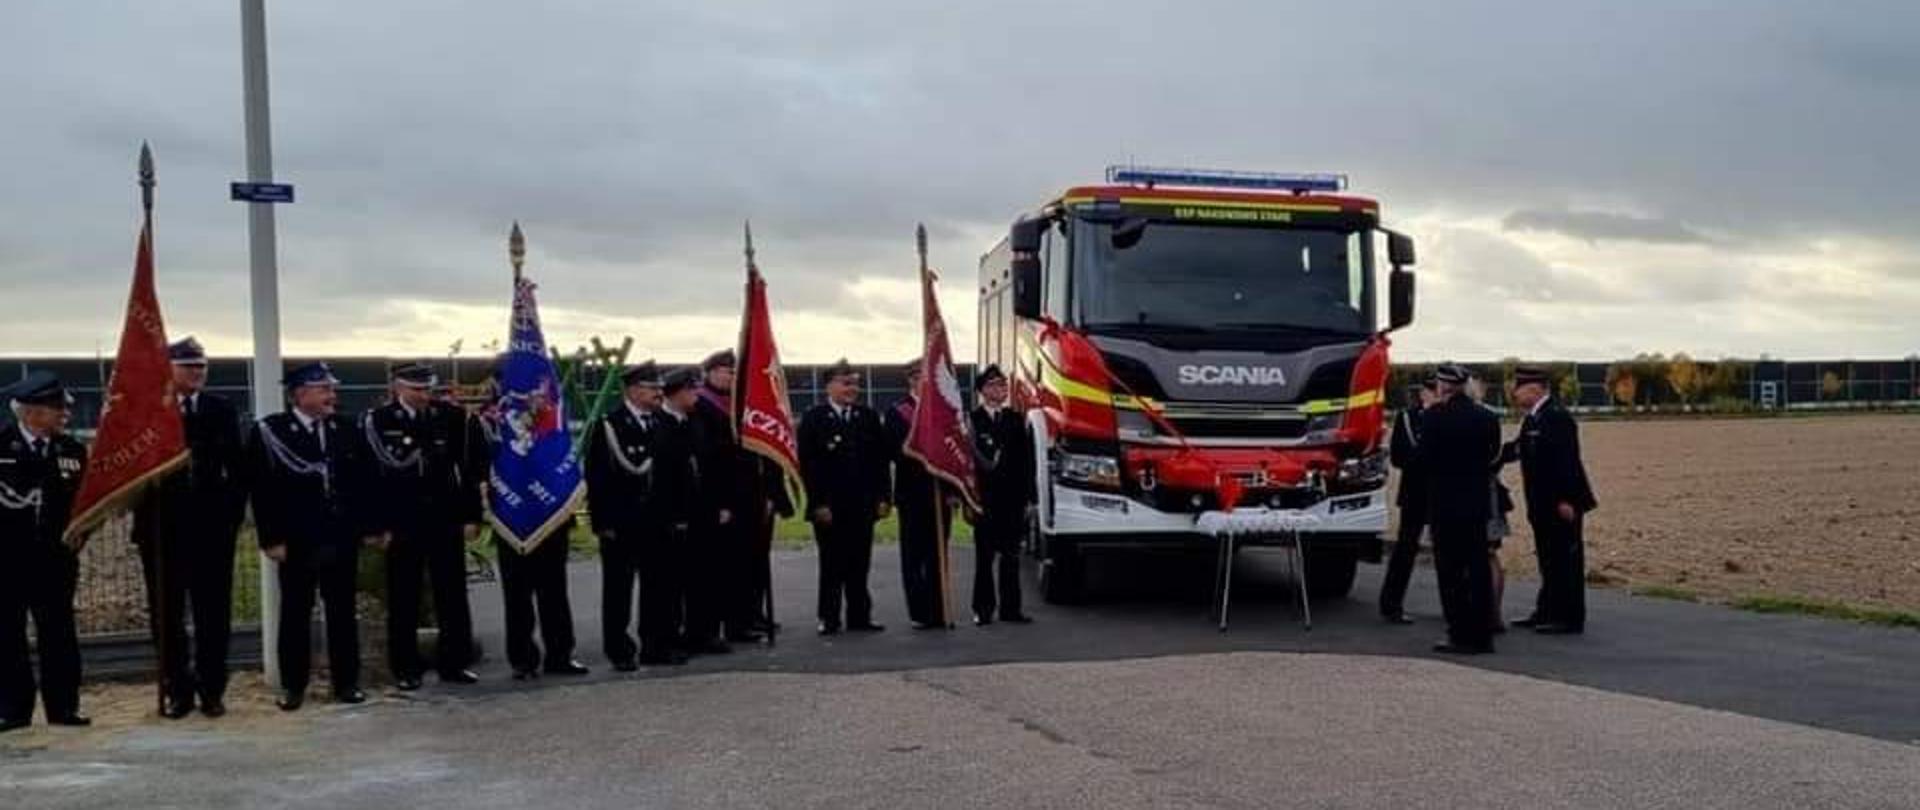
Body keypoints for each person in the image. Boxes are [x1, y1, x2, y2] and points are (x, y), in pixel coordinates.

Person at [246, 363, 377, 710]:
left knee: (343, 612)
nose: (332, 397)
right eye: (324, 390)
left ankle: (347, 682)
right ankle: (293, 686)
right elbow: (262, 490)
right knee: (295, 613)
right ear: (300, 394)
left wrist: (367, 529)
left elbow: (364, 482)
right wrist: (271, 539)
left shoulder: (345, 428)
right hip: (297, 539)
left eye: (331, 390)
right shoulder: (272, 431)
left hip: (340, 535)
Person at [132, 338, 247, 719]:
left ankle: (212, 689)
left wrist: (230, 518)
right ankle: (176, 689)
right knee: (166, 616)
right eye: (188, 366)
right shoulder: (149, 412)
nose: (197, 373)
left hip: (211, 531)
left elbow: (237, 469)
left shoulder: (221, 409)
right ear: (168, 369)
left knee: (213, 613)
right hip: (162, 532)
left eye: (202, 367)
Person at [361, 361, 487, 691]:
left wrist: (472, 516)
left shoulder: (451, 417)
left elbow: (468, 471)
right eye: (415, 389)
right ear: (397, 388)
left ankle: (454, 662)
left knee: (452, 594)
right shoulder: (379, 421)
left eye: (426, 389)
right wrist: (377, 526)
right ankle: (405, 667)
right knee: (404, 596)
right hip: (403, 522)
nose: (423, 395)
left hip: (444, 518)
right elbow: (372, 479)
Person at [586, 362, 694, 668]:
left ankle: (655, 645)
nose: (658, 393)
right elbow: (597, 477)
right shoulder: (610, 425)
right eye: (651, 388)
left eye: (659, 388)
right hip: (622, 522)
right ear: (632, 390)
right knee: (618, 590)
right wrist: (603, 521)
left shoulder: (662, 423)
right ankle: (619, 651)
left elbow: (677, 473)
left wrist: (679, 515)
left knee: (658, 587)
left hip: (658, 521)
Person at [0, 372, 90, 731]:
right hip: (7, 562)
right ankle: (12, 709)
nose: (64, 415)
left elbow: (84, 504)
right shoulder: (2, 448)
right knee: (7, 635)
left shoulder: (71, 450)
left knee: (59, 635)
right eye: (56, 409)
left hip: (55, 562)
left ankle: (63, 707)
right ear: (31, 413)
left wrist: (84, 531)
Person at [689, 349, 792, 642]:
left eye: (735, 372)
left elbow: (767, 451)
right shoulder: (703, 407)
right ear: (709, 373)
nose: (732, 377)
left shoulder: (746, 405)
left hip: (757, 496)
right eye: (726, 371)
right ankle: (735, 622)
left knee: (756, 559)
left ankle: (753, 613)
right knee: (732, 563)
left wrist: (774, 493)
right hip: (729, 498)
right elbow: (709, 459)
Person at [797, 360, 891, 635]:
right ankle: (829, 617)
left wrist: (884, 496)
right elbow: (809, 466)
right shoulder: (814, 419)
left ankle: (860, 616)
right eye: (845, 383)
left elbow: (880, 462)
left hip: (862, 504)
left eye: (854, 383)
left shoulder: (868, 417)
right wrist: (818, 503)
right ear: (830, 386)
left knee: (860, 563)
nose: (852, 389)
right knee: (832, 564)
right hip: (830, 507)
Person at [1505, 366, 1599, 635]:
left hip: (1561, 503)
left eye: (1518, 387)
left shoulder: (1556, 417)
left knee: (1565, 559)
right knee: (1548, 558)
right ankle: (1546, 610)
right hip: (1541, 503)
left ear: (1535, 388)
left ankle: (1569, 617)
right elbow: (1518, 448)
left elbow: (1567, 461)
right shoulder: (1534, 418)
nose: (1514, 393)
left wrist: (1567, 499)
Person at [1417, 364, 1502, 655]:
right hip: (1476, 505)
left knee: (1451, 574)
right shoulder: (1487, 418)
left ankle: (1459, 633)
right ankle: (1483, 634)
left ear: (1442, 387)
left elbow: (1424, 459)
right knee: (1477, 570)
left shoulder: (1433, 418)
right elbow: (1493, 455)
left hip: (1444, 504)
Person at [660, 367, 727, 656]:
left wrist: (719, 505)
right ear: (675, 393)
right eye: (690, 390)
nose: (696, 395)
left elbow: (711, 466)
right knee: (672, 584)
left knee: (705, 577)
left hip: (703, 511)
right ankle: (671, 638)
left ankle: (703, 633)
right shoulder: (660, 424)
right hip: (675, 515)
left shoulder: (696, 422)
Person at [968, 364, 1035, 626]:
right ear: (983, 391)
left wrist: (1029, 498)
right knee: (984, 558)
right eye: (995, 385)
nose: (1001, 389)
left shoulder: (1015, 420)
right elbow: (968, 465)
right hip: (985, 500)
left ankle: (1011, 609)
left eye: (1003, 384)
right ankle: (983, 610)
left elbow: (1026, 462)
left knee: (1011, 557)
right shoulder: (972, 421)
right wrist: (968, 499)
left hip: (1012, 500)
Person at [883, 359, 947, 630]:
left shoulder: (943, 411)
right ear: (911, 379)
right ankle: (919, 612)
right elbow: (893, 452)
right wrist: (923, 453)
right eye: (921, 376)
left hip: (939, 493)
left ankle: (939, 609)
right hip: (912, 493)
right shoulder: (898, 412)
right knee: (914, 556)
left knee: (938, 555)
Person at [1378, 377, 1437, 624]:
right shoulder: (1407, 418)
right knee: (1405, 549)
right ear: (1424, 392)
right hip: (1415, 490)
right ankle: (1391, 604)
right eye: (1431, 389)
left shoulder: (1448, 417)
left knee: (1449, 550)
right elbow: (1398, 457)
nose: (1435, 394)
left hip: (1442, 491)